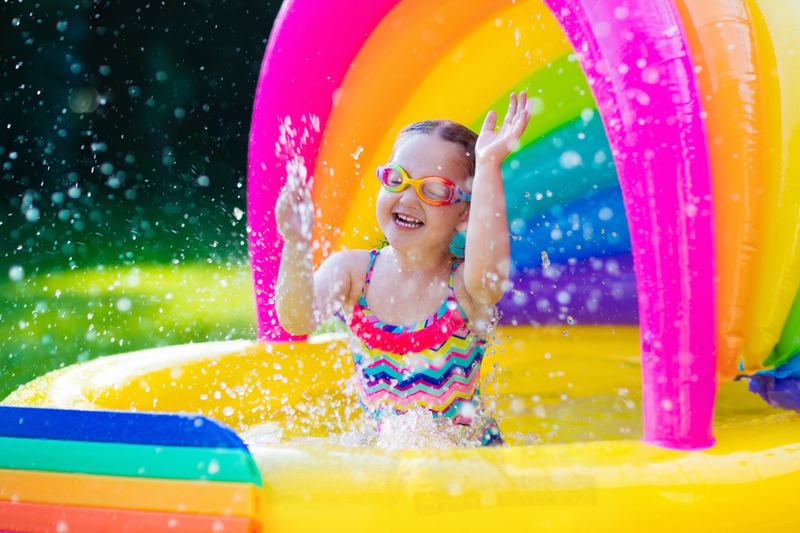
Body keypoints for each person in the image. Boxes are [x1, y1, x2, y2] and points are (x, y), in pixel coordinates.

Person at [275, 92, 533, 446]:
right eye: (397, 180)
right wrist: (296, 244)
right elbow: (297, 319)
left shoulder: (466, 289)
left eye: (434, 191)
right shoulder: (352, 273)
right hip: (388, 462)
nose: (408, 199)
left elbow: (489, 272)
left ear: (465, 214)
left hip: (469, 468)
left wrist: (488, 165)